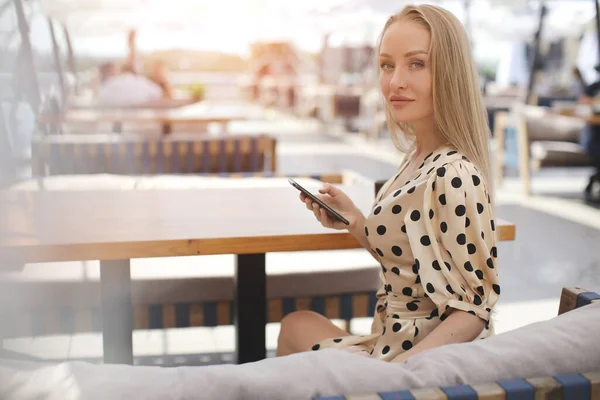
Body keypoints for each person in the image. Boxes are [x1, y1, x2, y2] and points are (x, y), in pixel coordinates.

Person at [276, 4, 500, 363]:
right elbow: (412, 263)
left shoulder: (454, 174)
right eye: (387, 65)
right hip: (388, 341)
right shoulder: (416, 159)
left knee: (293, 330)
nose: (395, 81)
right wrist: (356, 222)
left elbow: (474, 310)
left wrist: (397, 379)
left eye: (417, 64)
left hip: (412, 362)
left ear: (450, 73)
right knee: (296, 324)